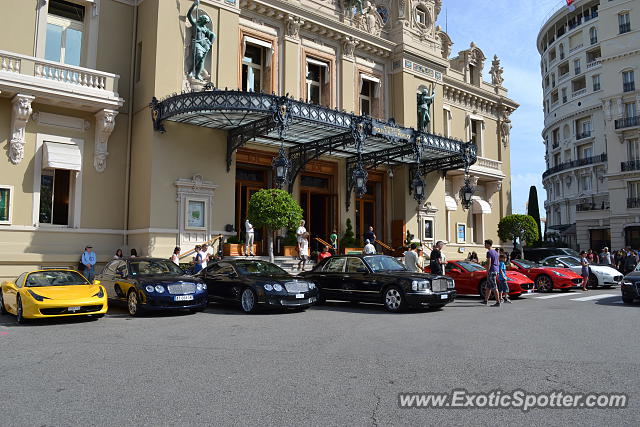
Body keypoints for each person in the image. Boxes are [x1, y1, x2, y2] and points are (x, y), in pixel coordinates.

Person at [484, 239, 501, 307]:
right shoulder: (495, 252)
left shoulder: (489, 252)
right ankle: (485, 300)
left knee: (494, 286)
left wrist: (487, 271)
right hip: (496, 270)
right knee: (488, 286)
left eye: (485, 244)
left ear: (488, 244)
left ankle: (498, 302)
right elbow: (498, 262)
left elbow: (489, 262)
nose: (484, 245)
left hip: (492, 271)